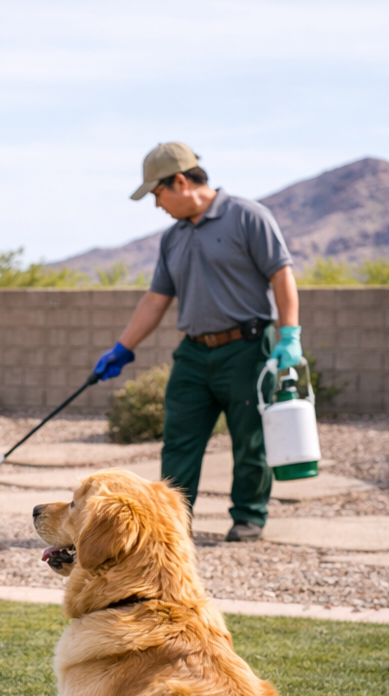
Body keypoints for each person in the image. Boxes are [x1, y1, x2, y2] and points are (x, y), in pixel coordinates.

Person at [93, 142, 302, 543]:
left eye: (157, 194)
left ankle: (248, 516)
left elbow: (282, 275)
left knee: (249, 438)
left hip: (248, 346)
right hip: (193, 353)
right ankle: (172, 523)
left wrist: (289, 335)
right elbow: (156, 299)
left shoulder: (248, 217)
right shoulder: (172, 238)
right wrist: (123, 348)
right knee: (178, 440)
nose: (157, 205)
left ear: (181, 181)